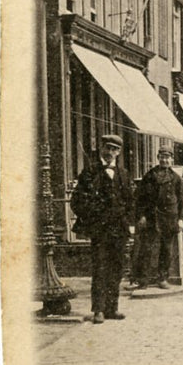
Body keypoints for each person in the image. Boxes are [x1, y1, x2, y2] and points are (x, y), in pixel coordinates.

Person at [70, 134, 134, 324]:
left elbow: (131, 201)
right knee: (100, 268)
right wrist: (92, 217)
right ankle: (98, 309)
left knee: (117, 268)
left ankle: (112, 308)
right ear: (101, 149)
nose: (110, 153)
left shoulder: (123, 173)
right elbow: (77, 201)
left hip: (119, 229)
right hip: (100, 230)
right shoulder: (90, 172)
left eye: (114, 149)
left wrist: (128, 221)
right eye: (108, 148)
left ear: (119, 152)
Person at [136, 145, 183, 289]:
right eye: (162, 157)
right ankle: (143, 280)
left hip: (169, 217)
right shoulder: (150, 176)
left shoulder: (176, 179)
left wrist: (181, 219)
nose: (165, 160)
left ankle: (162, 278)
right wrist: (141, 216)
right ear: (158, 158)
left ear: (172, 159)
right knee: (146, 248)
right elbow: (140, 198)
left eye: (167, 157)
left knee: (166, 250)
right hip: (151, 216)